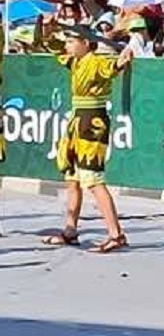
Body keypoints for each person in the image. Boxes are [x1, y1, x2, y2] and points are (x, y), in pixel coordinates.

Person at [41, 26, 134, 253]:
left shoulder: (97, 61)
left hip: (93, 123)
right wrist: (47, 28)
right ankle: (70, 230)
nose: (67, 46)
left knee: (93, 180)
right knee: (72, 178)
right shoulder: (75, 61)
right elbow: (52, 46)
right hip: (77, 120)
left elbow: (114, 66)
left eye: (72, 42)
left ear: (85, 43)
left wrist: (123, 58)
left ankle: (116, 234)